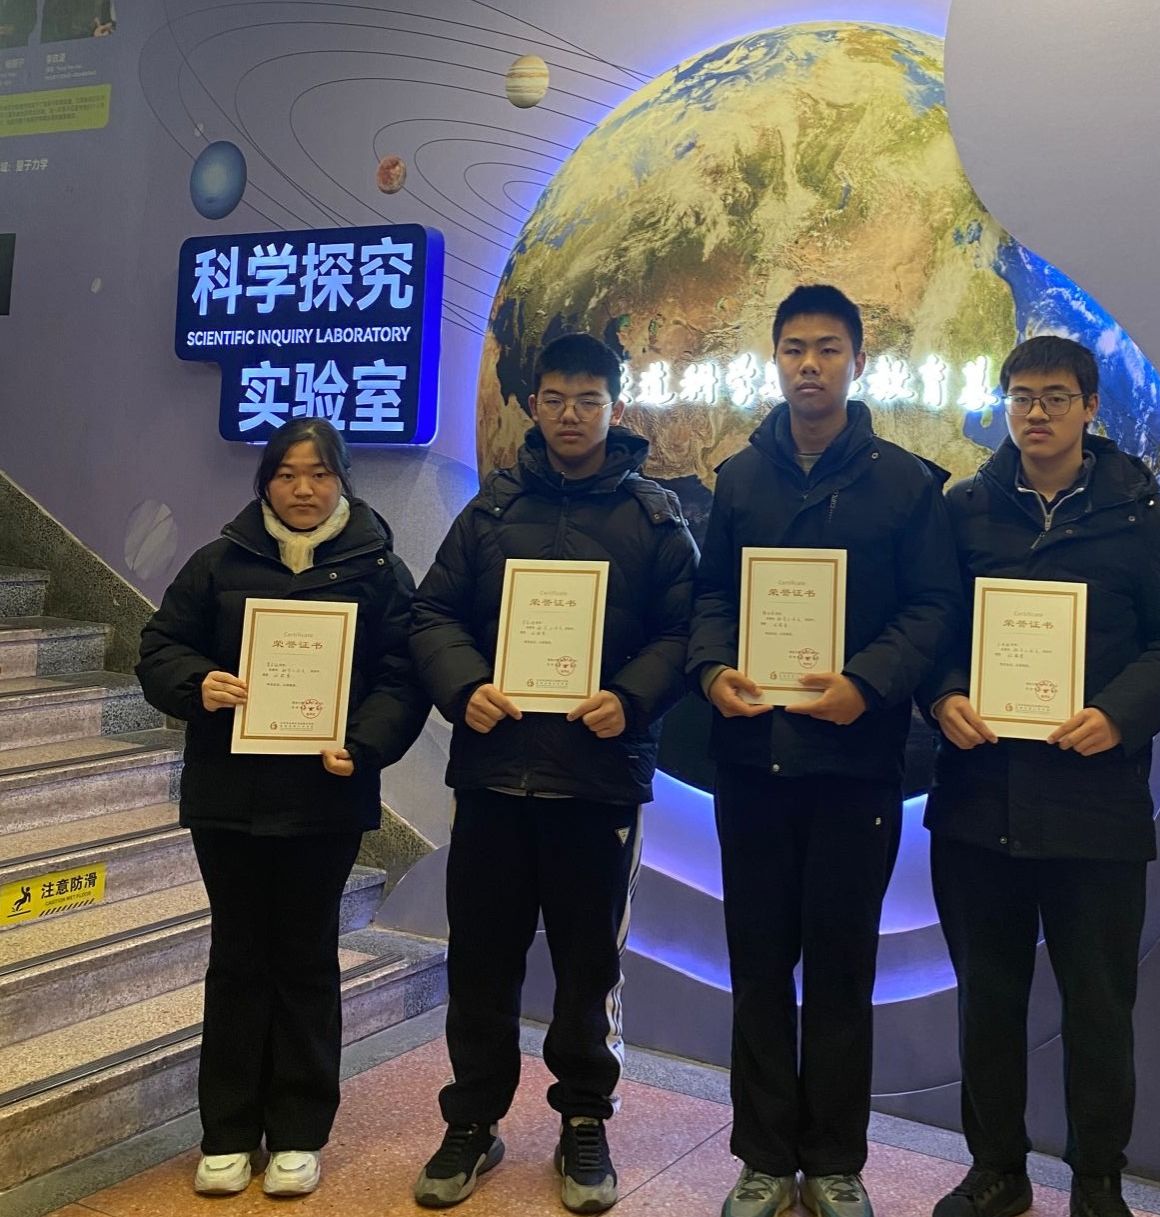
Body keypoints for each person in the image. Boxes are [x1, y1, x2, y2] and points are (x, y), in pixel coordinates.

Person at [687, 284, 962, 1217]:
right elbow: (713, 596)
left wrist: (868, 683)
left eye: (828, 348)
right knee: (759, 965)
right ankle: (765, 1158)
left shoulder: (906, 483)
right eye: (795, 348)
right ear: (775, 359)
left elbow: (932, 606)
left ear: (858, 360)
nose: (810, 364)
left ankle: (837, 1160)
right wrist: (711, 667)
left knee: (843, 970)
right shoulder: (738, 478)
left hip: (854, 765)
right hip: (751, 761)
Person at [408, 333, 697, 1213]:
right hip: (494, 778)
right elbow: (432, 612)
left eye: (589, 399)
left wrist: (631, 697)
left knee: (588, 967)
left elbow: (686, 632)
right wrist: (466, 686)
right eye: (557, 399)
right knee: (480, 960)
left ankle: (584, 1119)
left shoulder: (654, 518)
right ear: (533, 405)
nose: (572, 415)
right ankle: (472, 1119)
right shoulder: (492, 509)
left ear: (616, 407)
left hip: (596, 781)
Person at [920, 336, 1160, 1217]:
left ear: (1089, 407)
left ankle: (1098, 1181)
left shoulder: (1141, 515)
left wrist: (1117, 714)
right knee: (988, 1002)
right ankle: (996, 1170)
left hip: (1094, 803)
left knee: (1099, 1007)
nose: (1035, 412)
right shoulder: (964, 509)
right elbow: (928, 626)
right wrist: (942, 694)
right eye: (1020, 396)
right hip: (979, 799)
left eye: (1054, 396)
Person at [136, 417, 428, 1197]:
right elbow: (159, 647)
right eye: (287, 473)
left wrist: (363, 743)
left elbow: (404, 677)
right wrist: (198, 682)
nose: (303, 488)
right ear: (265, 481)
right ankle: (227, 1132)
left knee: (304, 957)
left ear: (343, 480)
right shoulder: (218, 561)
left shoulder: (379, 571)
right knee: (237, 958)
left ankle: (298, 1130)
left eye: (319, 473)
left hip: (325, 799)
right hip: (227, 799)